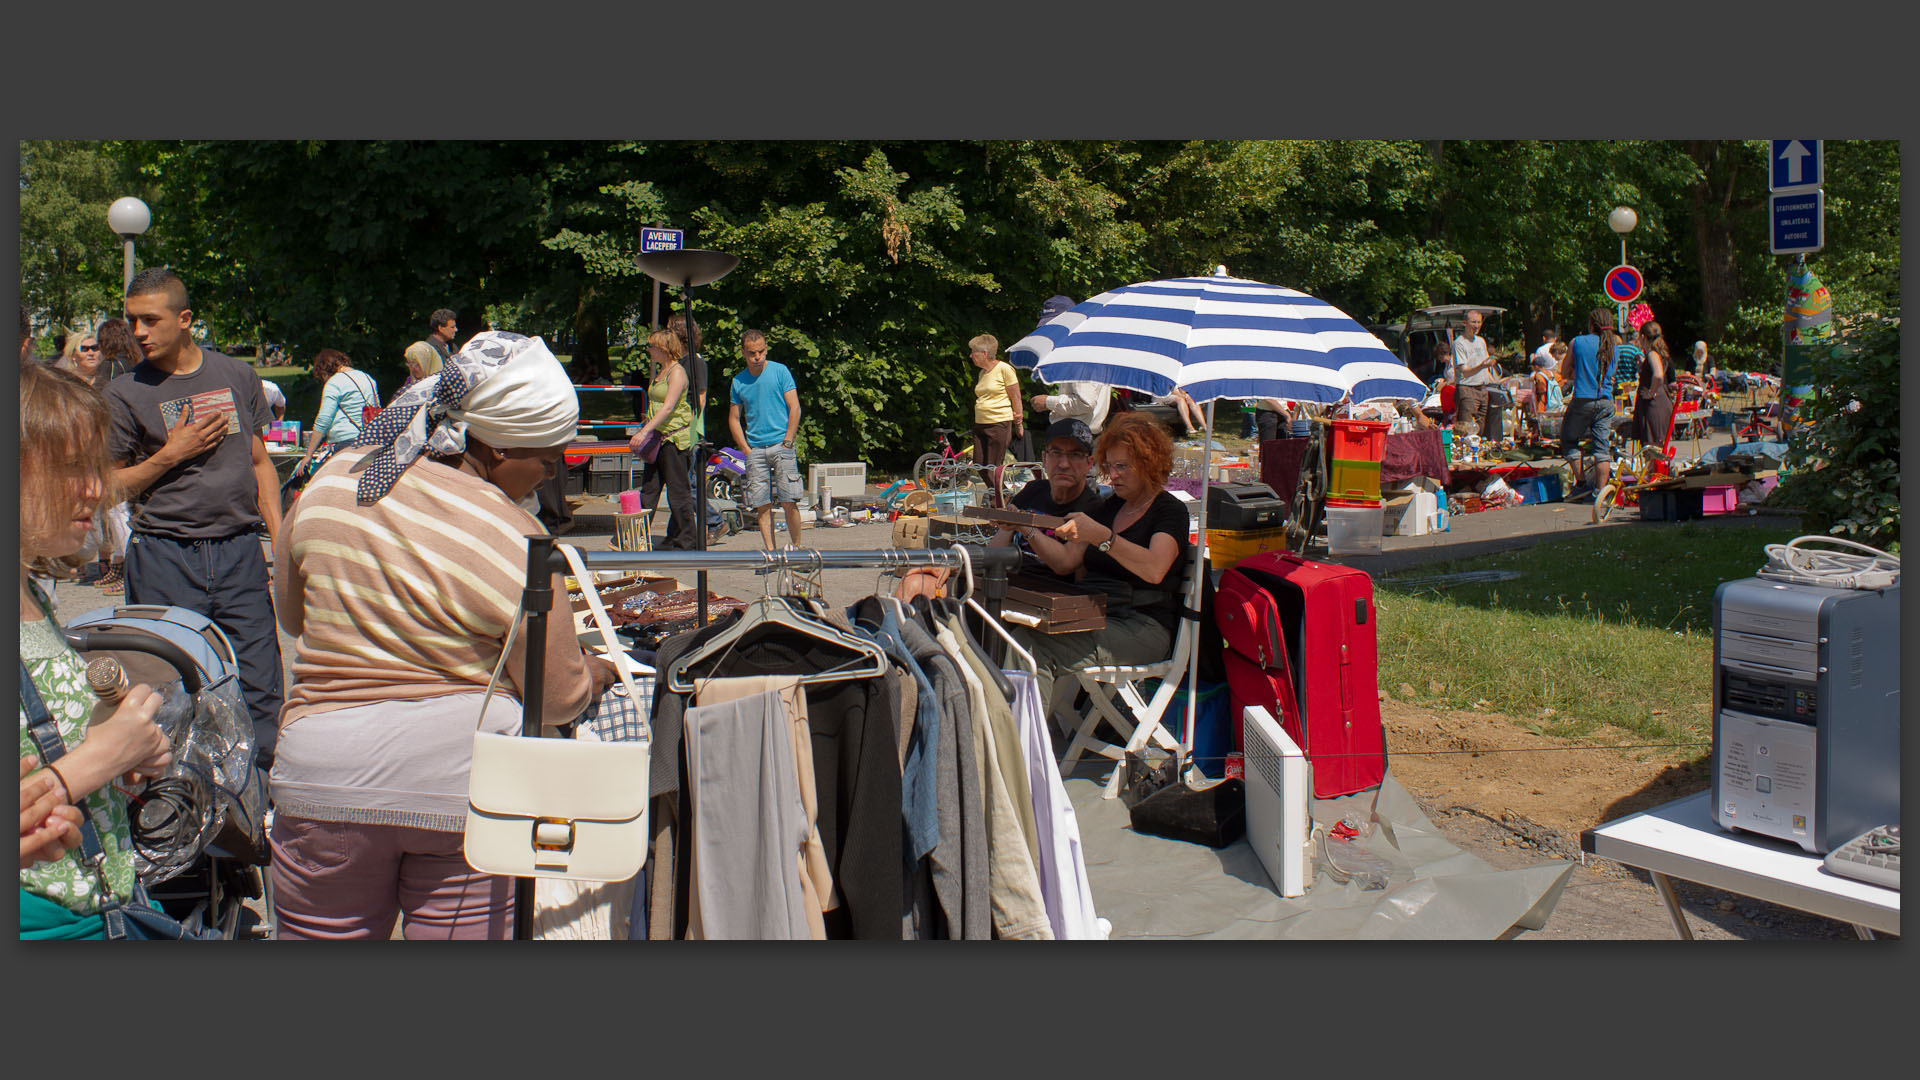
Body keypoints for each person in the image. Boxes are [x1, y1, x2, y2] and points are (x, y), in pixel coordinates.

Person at [270, 330, 617, 940]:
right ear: (495, 447)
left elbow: (294, 618)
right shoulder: (517, 540)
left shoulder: (331, 484)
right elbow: (559, 697)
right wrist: (598, 670)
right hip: (458, 791)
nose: (550, 476)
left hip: (321, 779)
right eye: (547, 458)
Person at [103, 268, 285, 770]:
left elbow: (259, 462)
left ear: (184, 320)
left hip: (238, 553)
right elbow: (106, 488)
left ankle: (258, 805)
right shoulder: (124, 394)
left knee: (259, 681)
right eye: (132, 320)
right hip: (164, 555)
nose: (138, 332)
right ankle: (178, 809)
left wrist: (282, 540)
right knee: (168, 691)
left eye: (150, 320)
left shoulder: (236, 375)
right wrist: (168, 456)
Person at [18, 361, 175, 939]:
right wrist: (103, 757)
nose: (95, 488)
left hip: (92, 904)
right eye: (68, 468)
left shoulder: (31, 592)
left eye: (93, 466)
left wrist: (120, 752)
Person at [1010, 413, 1192, 718]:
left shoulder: (1169, 511)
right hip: (1096, 614)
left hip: (1142, 626)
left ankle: (1025, 754)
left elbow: (1155, 568)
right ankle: (1013, 738)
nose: (1112, 476)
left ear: (1149, 463)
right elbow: (1068, 561)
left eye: (1122, 467)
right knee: (1010, 626)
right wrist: (1025, 526)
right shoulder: (1110, 507)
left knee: (1031, 647)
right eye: (1109, 467)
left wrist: (1104, 538)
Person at [989, 417, 1104, 582]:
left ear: (1089, 464)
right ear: (1044, 459)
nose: (1064, 464)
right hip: (1011, 588)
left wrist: (1024, 525)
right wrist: (1008, 523)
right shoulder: (1033, 490)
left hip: (1058, 598)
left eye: (1075, 455)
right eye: (1056, 453)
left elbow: (1064, 564)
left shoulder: (1093, 509)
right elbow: (993, 553)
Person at [727, 328, 805, 550]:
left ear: (766, 349)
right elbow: (734, 418)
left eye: (761, 351)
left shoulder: (780, 372)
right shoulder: (738, 381)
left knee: (790, 501)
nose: (757, 357)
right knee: (762, 505)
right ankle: (771, 553)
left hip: (781, 444)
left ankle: (797, 549)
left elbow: (795, 407)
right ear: (743, 352)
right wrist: (746, 450)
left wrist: (788, 441)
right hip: (756, 450)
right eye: (752, 353)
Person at [630, 327, 700, 550]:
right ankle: (636, 536)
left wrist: (643, 432)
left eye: (652, 346)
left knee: (678, 492)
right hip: (657, 438)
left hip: (673, 439)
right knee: (649, 490)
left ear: (663, 348)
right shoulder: (661, 371)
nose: (649, 350)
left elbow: (669, 406)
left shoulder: (677, 373)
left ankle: (688, 539)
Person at [1026, 294, 1113, 436]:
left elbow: (1085, 403)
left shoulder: (1081, 353)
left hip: (1079, 437)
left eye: (1055, 325)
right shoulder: (1088, 348)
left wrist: (1047, 402)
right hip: (1081, 435)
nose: (1050, 332)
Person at [1560, 307, 1620, 497]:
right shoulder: (1614, 346)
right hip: (1606, 401)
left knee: (1569, 440)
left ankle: (1581, 484)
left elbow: (1565, 373)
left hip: (1583, 399)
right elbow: (1611, 376)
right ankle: (1600, 493)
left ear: (1591, 324)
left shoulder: (1577, 342)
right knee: (1601, 448)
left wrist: (1578, 375)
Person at [294, 348, 382, 479]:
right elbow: (377, 407)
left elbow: (323, 420)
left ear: (324, 369)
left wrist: (308, 455)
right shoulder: (368, 378)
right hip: (371, 440)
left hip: (346, 442)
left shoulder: (334, 383)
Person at [969, 333, 1023, 501]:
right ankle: (1003, 495)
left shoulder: (1004, 369)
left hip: (999, 422)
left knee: (992, 467)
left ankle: (1000, 500)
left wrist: (1018, 423)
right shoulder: (982, 374)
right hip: (980, 424)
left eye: (973, 352)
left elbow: (1016, 396)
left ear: (984, 353)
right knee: (979, 464)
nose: (971, 356)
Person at [1631, 320, 1675, 462]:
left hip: (1653, 405)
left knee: (1652, 449)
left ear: (1643, 337)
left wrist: (1651, 392)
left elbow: (1658, 375)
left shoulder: (1652, 354)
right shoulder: (1659, 353)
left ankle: (1652, 479)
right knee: (1657, 449)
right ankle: (1655, 478)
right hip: (1660, 402)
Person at [1450, 308, 1498, 439]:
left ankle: (1478, 452)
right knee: (1466, 427)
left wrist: (1495, 382)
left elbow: (1487, 366)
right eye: (1473, 322)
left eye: (1479, 322)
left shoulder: (1481, 341)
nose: (1476, 326)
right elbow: (1465, 372)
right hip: (1467, 389)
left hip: (1482, 389)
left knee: (1481, 426)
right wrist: (1482, 366)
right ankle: (1465, 453)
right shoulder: (1459, 343)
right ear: (1465, 323)